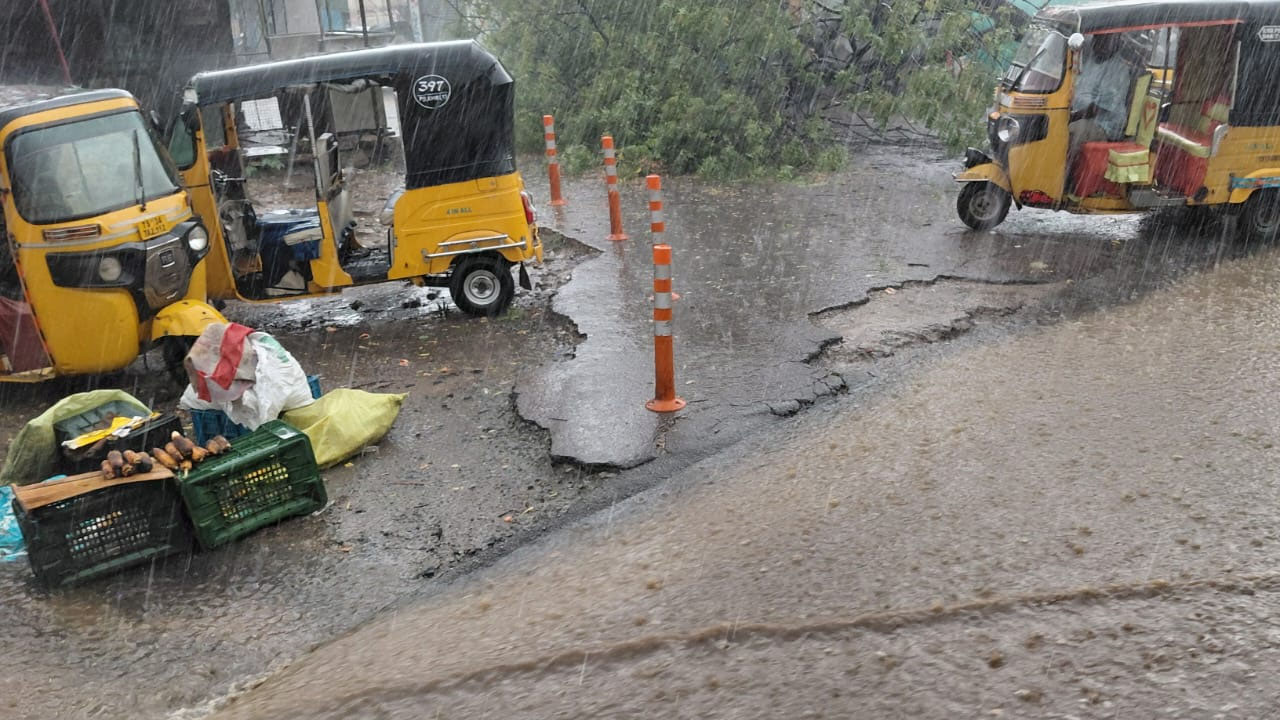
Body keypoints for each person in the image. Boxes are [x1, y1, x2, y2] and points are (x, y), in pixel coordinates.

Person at [1068, 33, 1132, 168]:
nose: (1099, 44)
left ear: (1115, 43)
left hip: (1103, 124)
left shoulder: (1118, 69)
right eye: (1097, 39)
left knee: (1070, 132)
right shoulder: (1090, 60)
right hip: (1079, 114)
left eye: (1104, 40)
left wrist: (1071, 117)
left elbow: (1097, 108)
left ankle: (1064, 175)